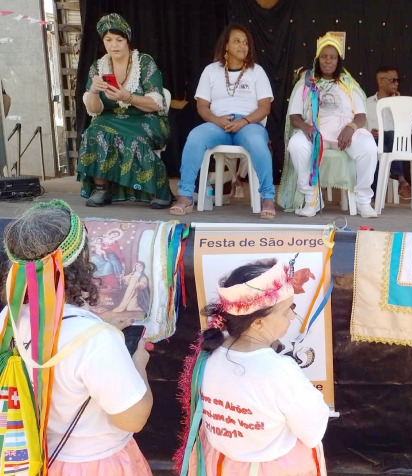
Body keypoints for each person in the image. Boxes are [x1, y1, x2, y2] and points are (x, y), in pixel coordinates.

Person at [0, 199, 153, 474]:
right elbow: (133, 418)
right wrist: (138, 363)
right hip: (93, 465)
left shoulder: (6, 321)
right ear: (83, 260)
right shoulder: (95, 340)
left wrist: (98, 325)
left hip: (29, 460)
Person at [177, 258, 330, 475]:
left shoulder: (208, 356)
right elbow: (313, 432)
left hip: (220, 465)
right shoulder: (280, 372)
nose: (292, 316)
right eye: (288, 310)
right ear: (258, 323)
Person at [171, 24, 276, 219]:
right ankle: (186, 195)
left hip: (249, 125)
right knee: (195, 136)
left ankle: (267, 197)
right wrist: (217, 120)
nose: (242, 46)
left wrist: (243, 121)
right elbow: (202, 106)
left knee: (257, 142)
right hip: (218, 125)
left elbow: (264, 108)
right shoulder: (211, 70)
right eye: (237, 41)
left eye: (245, 43)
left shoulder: (257, 71)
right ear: (226, 46)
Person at [77, 13, 171, 209]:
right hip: (110, 118)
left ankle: (158, 189)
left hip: (145, 118)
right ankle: (102, 189)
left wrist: (127, 97)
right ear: (103, 42)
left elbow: (156, 104)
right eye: (108, 40)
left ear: (127, 40)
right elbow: (94, 110)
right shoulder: (98, 67)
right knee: (93, 132)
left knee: (134, 137)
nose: (114, 45)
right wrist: (93, 91)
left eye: (119, 40)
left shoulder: (144, 63)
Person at [286, 32, 378, 218]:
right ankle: (312, 199)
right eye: (324, 57)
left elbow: (361, 115)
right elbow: (294, 116)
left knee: (368, 146)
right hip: (315, 133)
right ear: (318, 59)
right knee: (296, 144)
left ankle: (363, 201)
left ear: (338, 60)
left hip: (346, 134)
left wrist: (351, 128)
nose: (328, 61)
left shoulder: (348, 84)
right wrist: (306, 128)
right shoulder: (306, 84)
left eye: (333, 57)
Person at [365, 66, 412, 200]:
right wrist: (368, 132)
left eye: (398, 80)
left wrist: (398, 107)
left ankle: (373, 197)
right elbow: (359, 127)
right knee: (375, 148)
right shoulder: (367, 103)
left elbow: (410, 129)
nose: (397, 83)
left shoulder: (401, 103)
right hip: (373, 143)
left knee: (390, 135)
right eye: (393, 80)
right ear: (381, 81)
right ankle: (401, 178)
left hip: (395, 144)